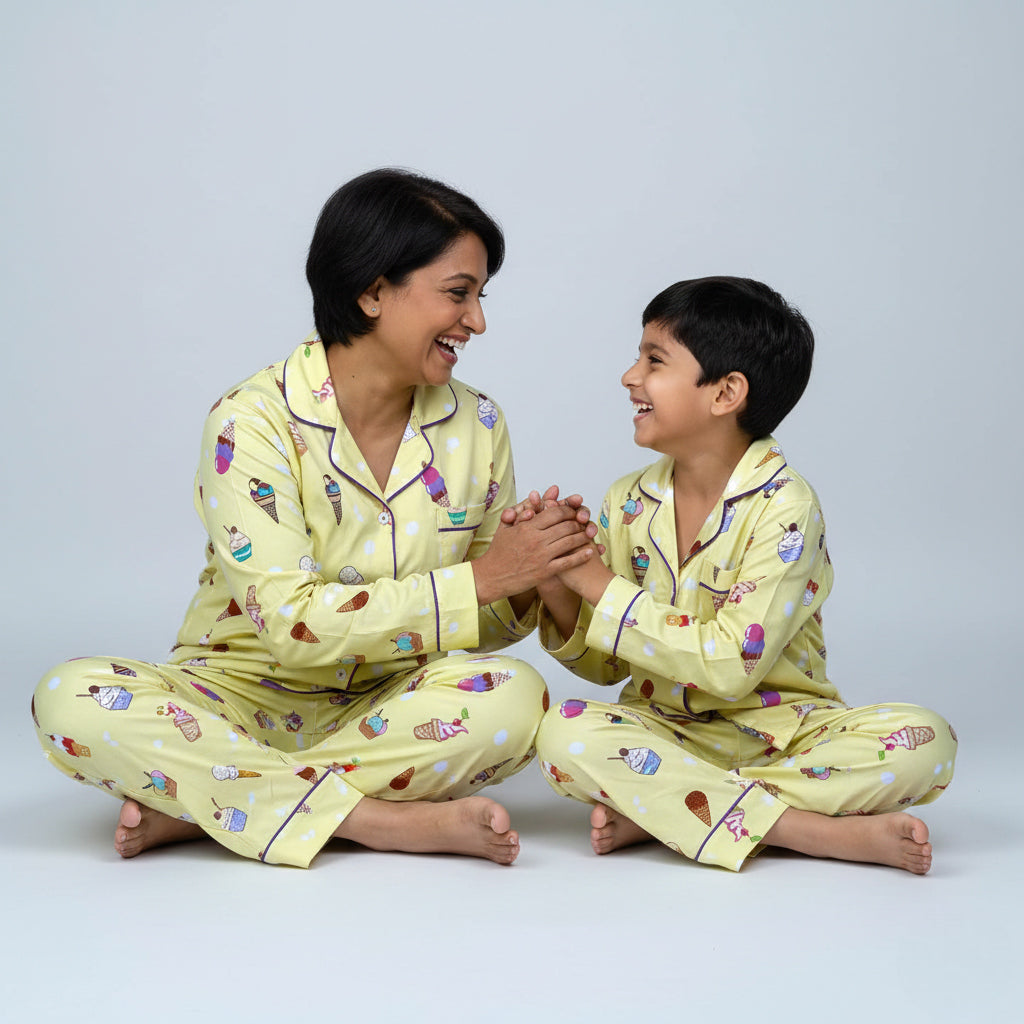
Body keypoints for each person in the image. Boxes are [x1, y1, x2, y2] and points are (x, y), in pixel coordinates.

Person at [31, 169, 599, 867]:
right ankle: (380, 822)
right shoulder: (252, 420)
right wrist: (485, 576)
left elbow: (478, 621)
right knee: (68, 701)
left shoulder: (478, 423)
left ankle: (217, 802)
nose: (477, 321)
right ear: (370, 292)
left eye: (480, 297)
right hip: (234, 695)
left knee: (515, 702)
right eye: (459, 293)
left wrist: (537, 577)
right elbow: (294, 629)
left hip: (391, 700)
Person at [516, 277, 956, 874]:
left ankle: (668, 809)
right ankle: (804, 829)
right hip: (664, 729)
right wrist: (557, 578)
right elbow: (607, 666)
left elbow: (730, 668)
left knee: (926, 742)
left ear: (725, 393)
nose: (630, 377)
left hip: (787, 735)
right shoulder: (628, 501)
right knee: (563, 734)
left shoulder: (786, 506)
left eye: (654, 360)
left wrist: (597, 583)